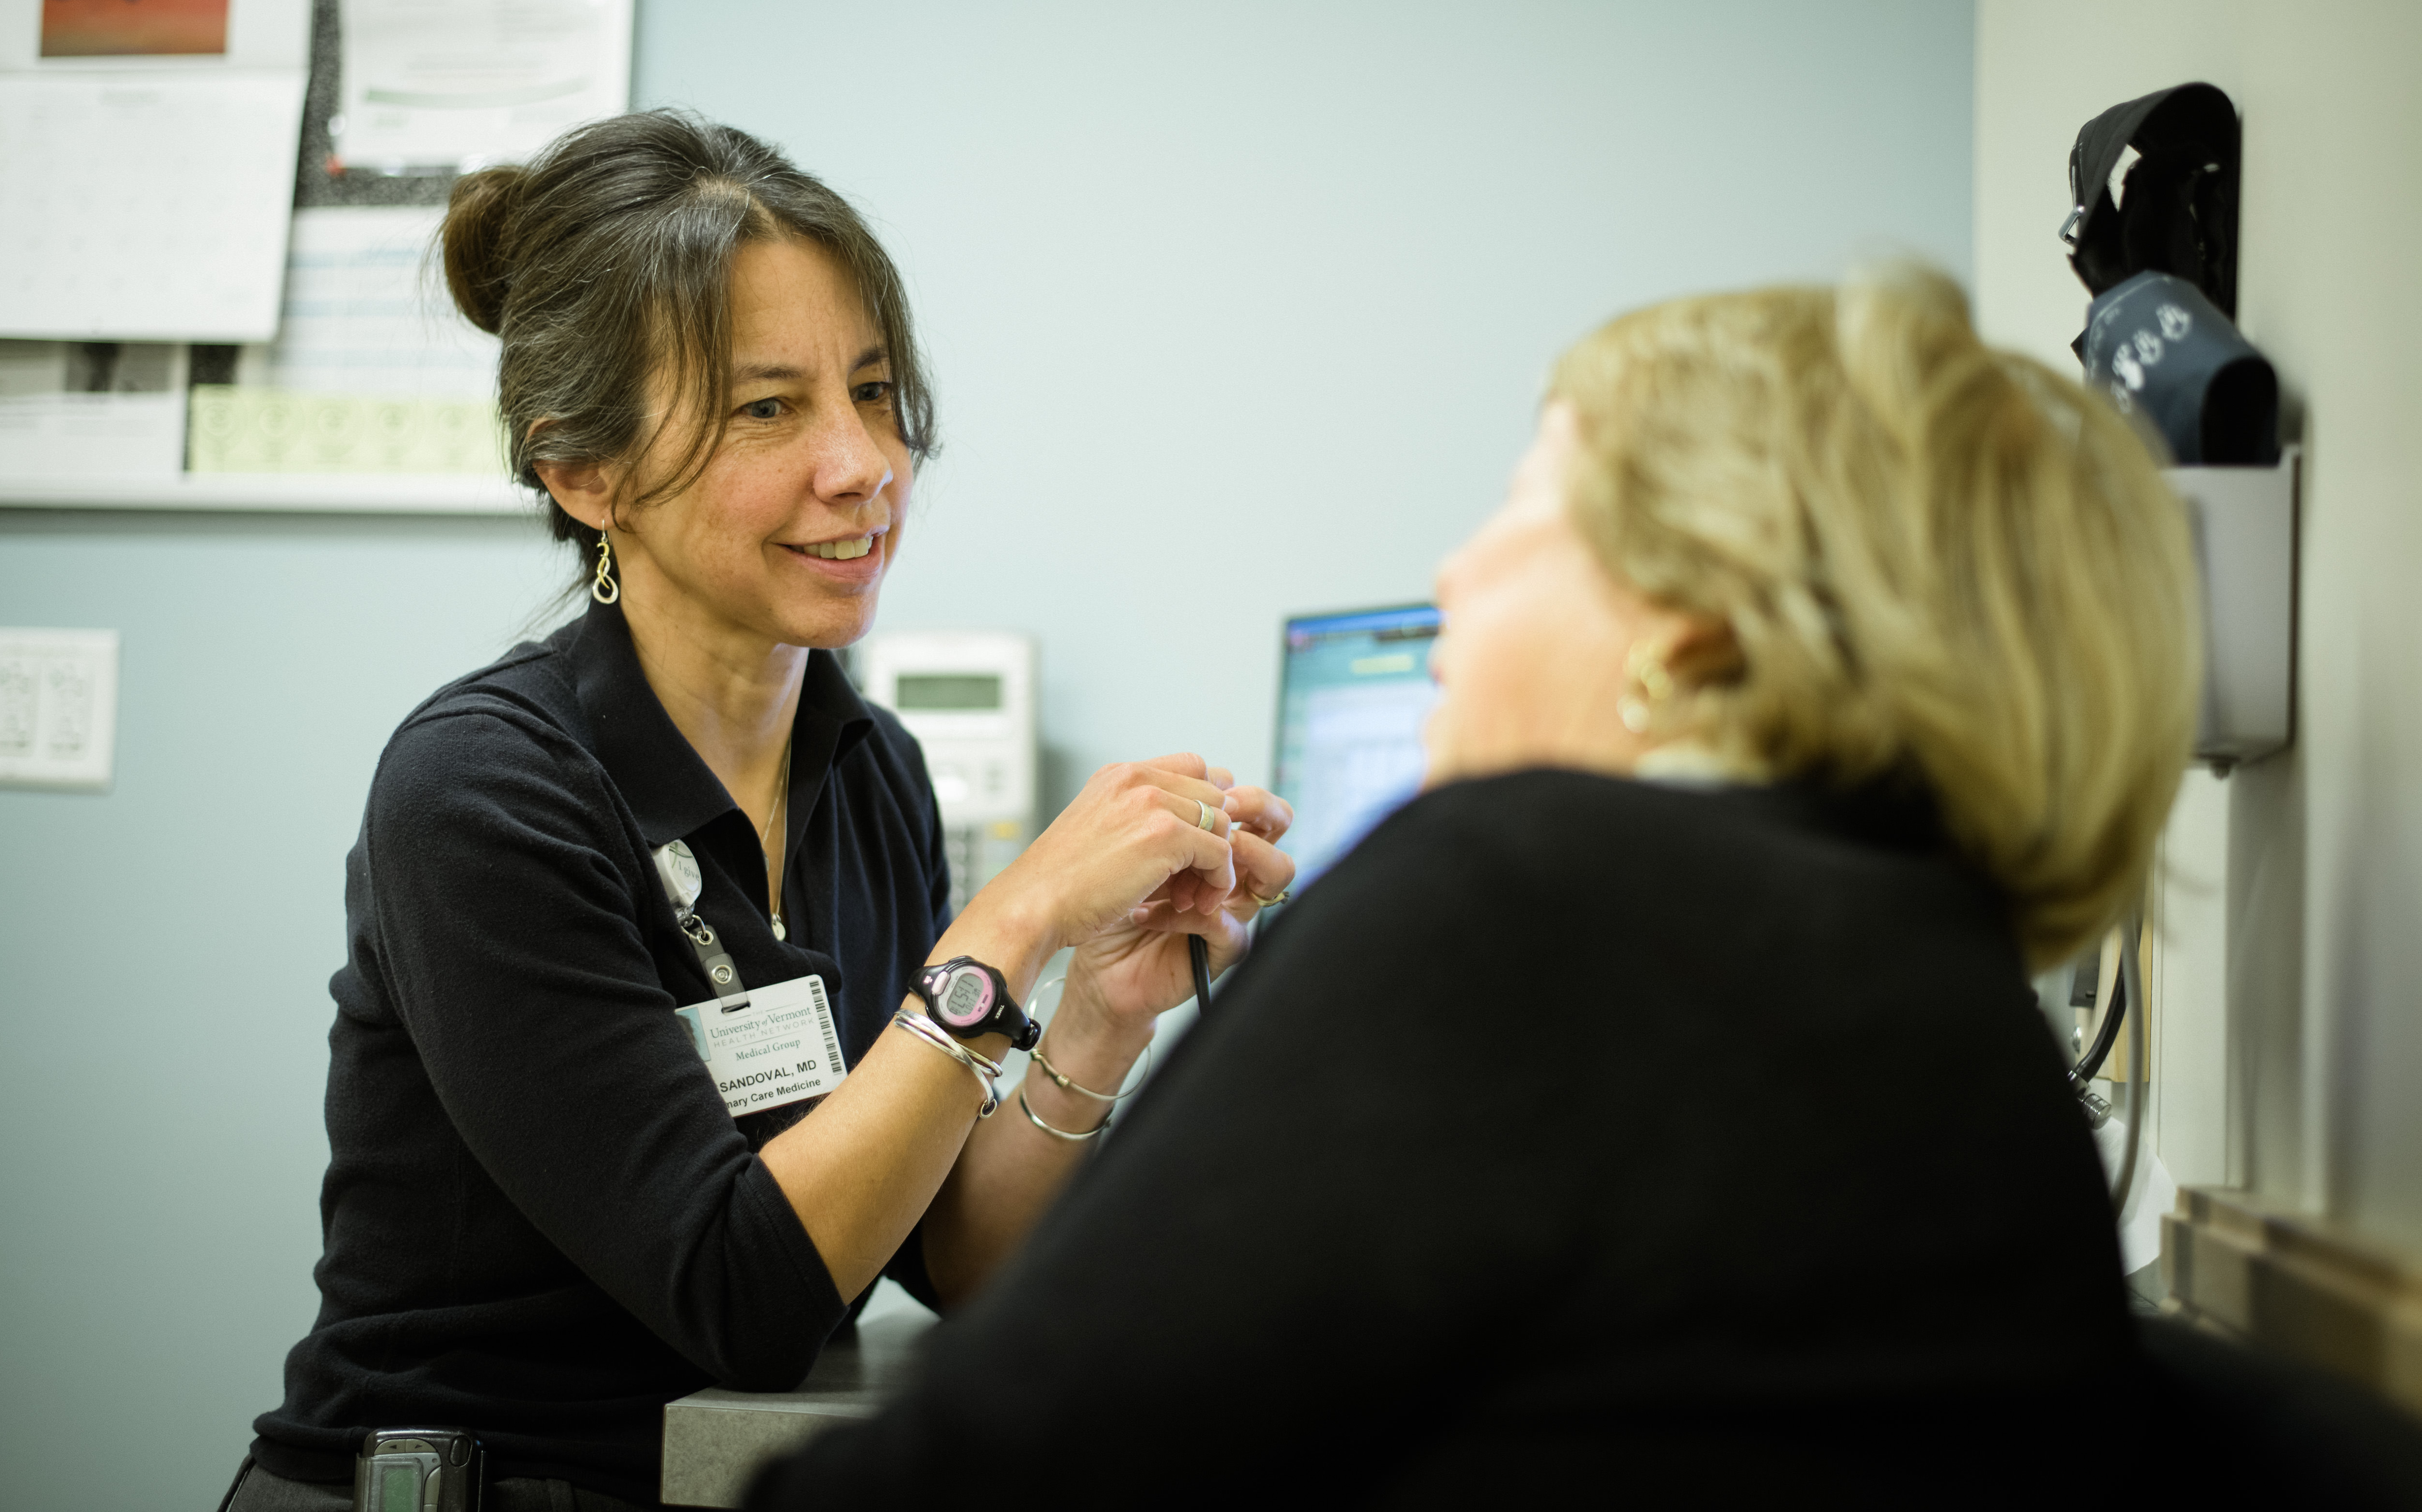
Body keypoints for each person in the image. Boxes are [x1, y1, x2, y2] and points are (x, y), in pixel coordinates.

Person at [747, 269, 2203, 1505]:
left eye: (1524, 509)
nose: (1455, 572)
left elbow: (959, 1480)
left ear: (1688, 622)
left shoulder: (1524, 897)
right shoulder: (1959, 1012)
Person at [220, 111, 1294, 1512]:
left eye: (873, 391)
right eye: (768, 409)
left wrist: (1099, 1008)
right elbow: (741, 1291)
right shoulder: (483, 790)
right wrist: (1015, 921)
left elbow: (946, 1253)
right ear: (582, 472)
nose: (863, 467)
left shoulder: (869, 770)